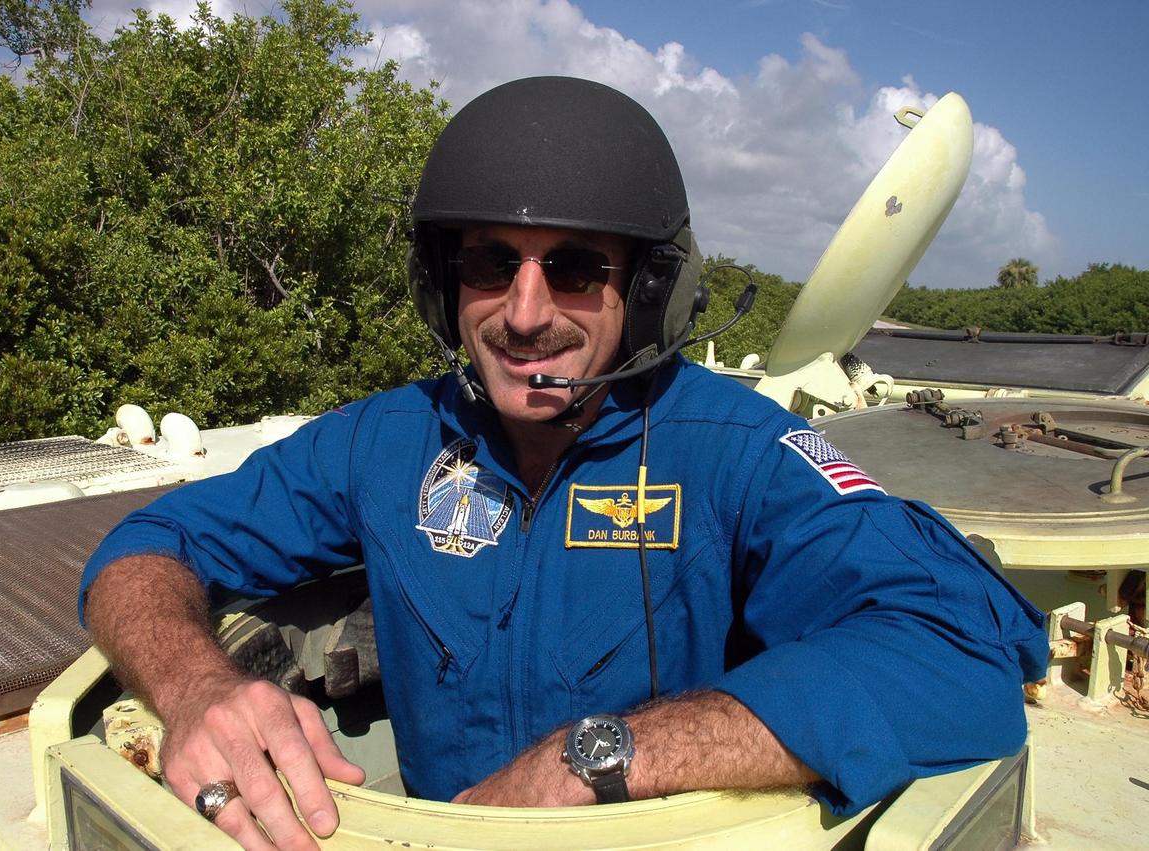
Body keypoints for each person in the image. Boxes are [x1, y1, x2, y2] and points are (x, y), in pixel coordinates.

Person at [80, 76, 1048, 851]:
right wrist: (194, 687)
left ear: (651, 292)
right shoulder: (385, 440)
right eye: (489, 264)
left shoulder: (735, 451)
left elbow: (963, 649)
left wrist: (596, 753)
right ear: (444, 285)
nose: (525, 310)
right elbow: (148, 543)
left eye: (576, 268)